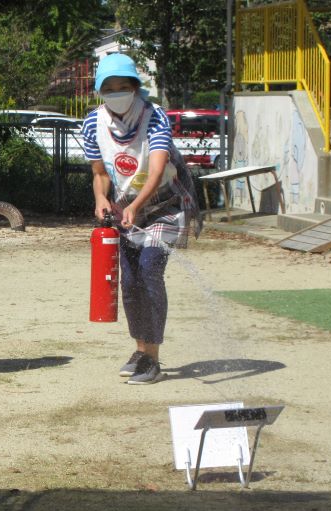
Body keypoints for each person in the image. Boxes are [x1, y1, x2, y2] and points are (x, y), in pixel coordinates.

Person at [82, 54, 202, 385]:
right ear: (100, 91)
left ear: (136, 88)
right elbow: (99, 173)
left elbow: (158, 168)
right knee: (130, 279)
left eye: (124, 86)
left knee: (149, 268)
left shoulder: (155, 117)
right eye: (110, 88)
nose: (117, 92)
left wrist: (138, 204)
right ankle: (140, 349)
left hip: (165, 204)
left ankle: (154, 359)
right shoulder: (93, 123)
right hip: (126, 207)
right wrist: (101, 198)